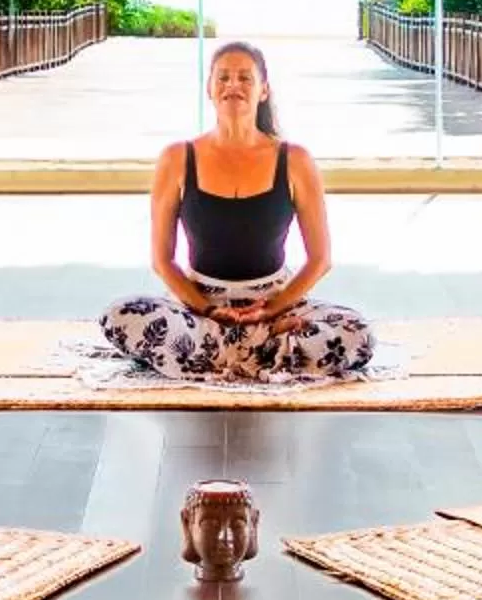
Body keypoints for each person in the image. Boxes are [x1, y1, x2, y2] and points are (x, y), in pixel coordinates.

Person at [101, 40, 375, 382]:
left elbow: (320, 259)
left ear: (264, 90)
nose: (233, 86)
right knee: (119, 315)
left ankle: (224, 355)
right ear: (210, 89)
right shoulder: (176, 158)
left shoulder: (295, 160)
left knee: (359, 334)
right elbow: (163, 261)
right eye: (224, 78)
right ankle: (260, 353)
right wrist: (210, 310)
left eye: (245, 78)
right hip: (200, 307)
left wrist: (272, 308)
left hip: (274, 303)